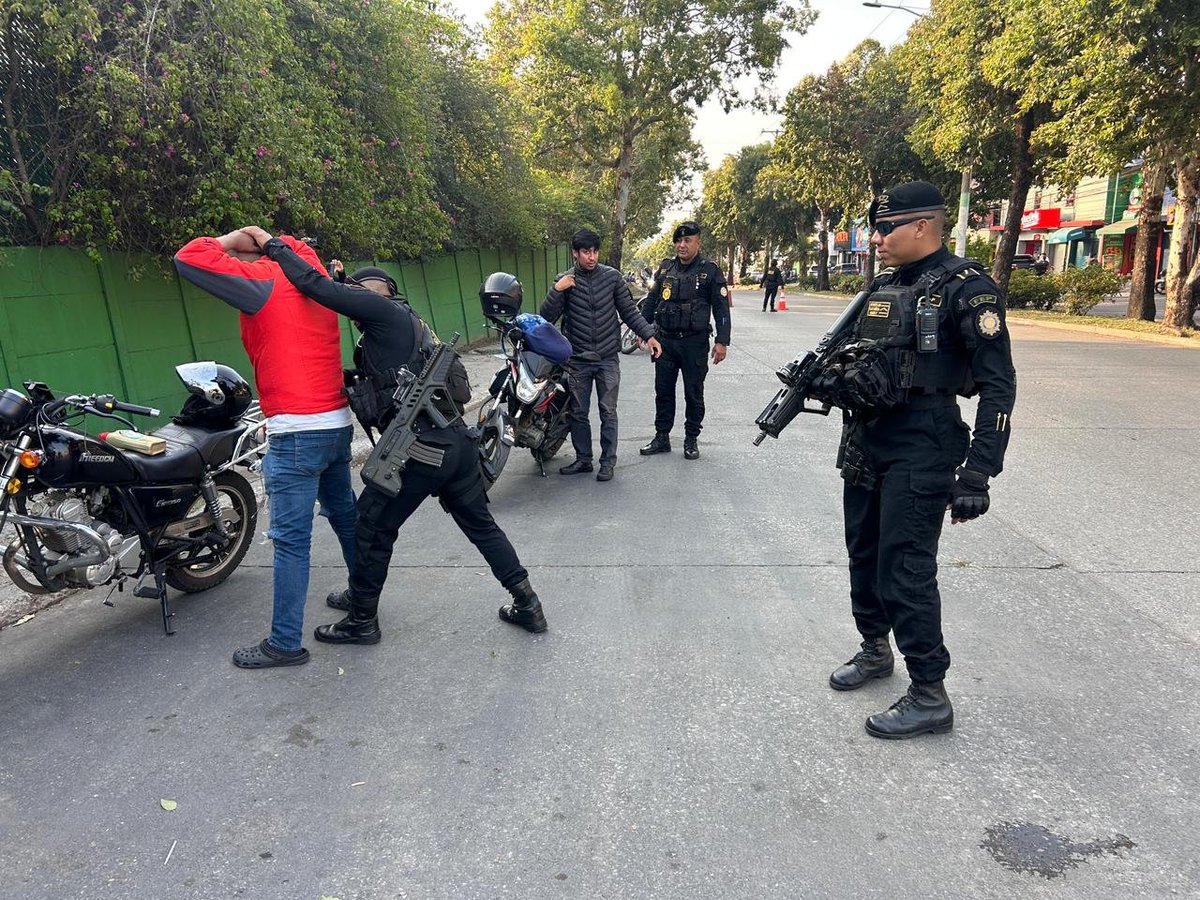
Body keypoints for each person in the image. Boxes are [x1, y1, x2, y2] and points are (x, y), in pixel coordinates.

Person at [236, 226, 548, 643]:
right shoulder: (408, 325)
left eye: (357, 290)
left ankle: (362, 620)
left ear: (374, 292)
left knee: (372, 526)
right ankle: (528, 603)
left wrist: (274, 246)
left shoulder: (382, 313)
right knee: (480, 526)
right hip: (454, 445)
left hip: (421, 449)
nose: (352, 296)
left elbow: (316, 287)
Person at [817, 181, 1016, 739]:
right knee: (864, 552)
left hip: (923, 444)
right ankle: (875, 649)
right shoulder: (882, 285)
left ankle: (930, 692)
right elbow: (856, 357)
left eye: (885, 229)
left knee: (905, 569)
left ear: (923, 226)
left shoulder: (967, 288)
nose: (875, 238)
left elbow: (999, 385)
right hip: (867, 439)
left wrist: (979, 470)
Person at [174, 230, 358, 669]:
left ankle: (284, 643)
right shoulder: (313, 277)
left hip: (296, 429)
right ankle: (362, 598)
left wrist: (232, 238)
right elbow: (296, 252)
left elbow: (188, 257)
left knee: (292, 542)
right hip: (336, 423)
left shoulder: (265, 281)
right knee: (345, 515)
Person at [540, 229, 662, 482]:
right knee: (578, 412)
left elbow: (629, 312)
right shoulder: (565, 280)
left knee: (608, 411)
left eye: (595, 251)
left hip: (607, 358)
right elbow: (546, 317)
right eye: (586, 252)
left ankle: (607, 462)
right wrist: (557, 290)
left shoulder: (612, 278)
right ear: (575, 253)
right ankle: (584, 459)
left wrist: (649, 336)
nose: (591, 257)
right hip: (577, 360)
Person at [639, 221, 732, 461]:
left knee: (693, 393)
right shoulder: (665, 268)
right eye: (679, 241)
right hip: (665, 342)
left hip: (694, 343)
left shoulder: (710, 271)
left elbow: (722, 309)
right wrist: (642, 329)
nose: (682, 245)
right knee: (663, 392)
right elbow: (651, 300)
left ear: (697, 242)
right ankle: (662, 437)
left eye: (687, 240)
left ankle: (691, 439)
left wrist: (722, 341)